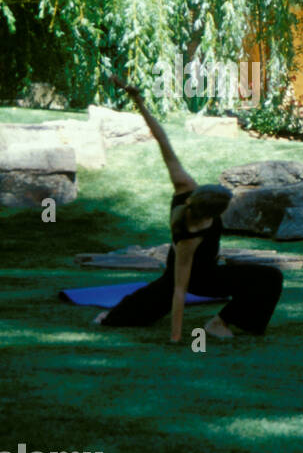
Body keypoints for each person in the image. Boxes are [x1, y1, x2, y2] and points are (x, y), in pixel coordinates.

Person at [93, 76, 284, 342]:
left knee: (269, 277)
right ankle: (214, 324)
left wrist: (138, 101)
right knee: (143, 306)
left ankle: (225, 320)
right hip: (198, 278)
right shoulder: (189, 238)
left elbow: (162, 141)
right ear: (211, 214)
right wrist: (176, 338)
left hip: (208, 268)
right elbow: (181, 290)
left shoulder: (184, 187)